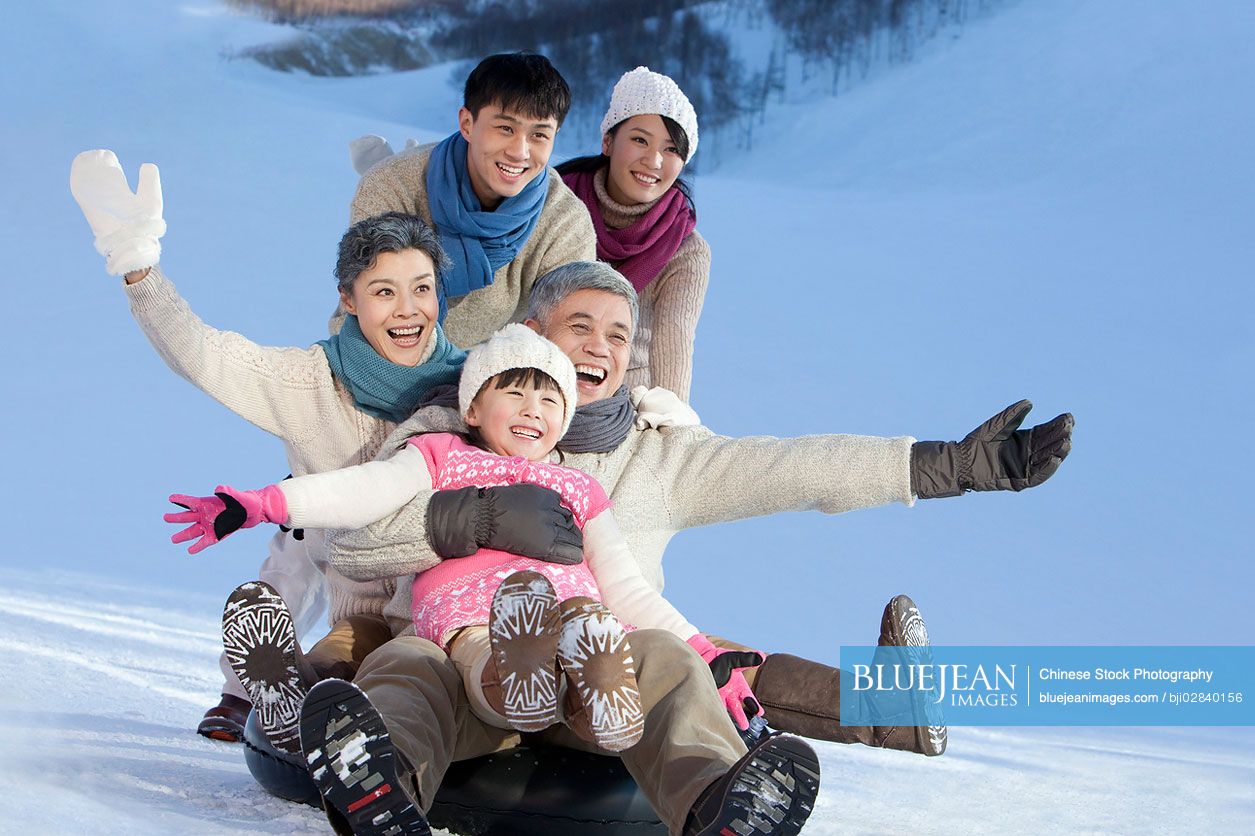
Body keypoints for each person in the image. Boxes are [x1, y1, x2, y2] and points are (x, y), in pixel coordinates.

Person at [327, 260, 1074, 758]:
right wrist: (467, 522)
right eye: (578, 327)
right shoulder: (452, 431)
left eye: (618, 334)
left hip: (605, 671)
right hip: (457, 647)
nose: (599, 347)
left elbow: (794, 468)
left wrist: (958, 466)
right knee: (366, 647)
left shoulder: (660, 455)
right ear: (533, 337)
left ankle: (887, 710)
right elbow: (358, 541)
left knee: (702, 654)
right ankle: (305, 713)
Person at [69, 152, 581, 744]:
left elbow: (546, 412)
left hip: (451, 592)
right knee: (306, 566)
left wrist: (644, 415)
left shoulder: (472, 385)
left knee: (408, 659)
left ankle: (297, 698)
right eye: (383, 292)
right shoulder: (309, 380)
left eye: (422, 289)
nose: (408, 309)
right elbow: (204, 355)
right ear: (348, 298)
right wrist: (137, 266)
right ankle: (267, 693)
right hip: (354, 583)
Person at [165, 325, 765, 754]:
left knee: (592, 618)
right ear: (473, 407)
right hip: (470, 618)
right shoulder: (439, 456)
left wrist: (702, 650)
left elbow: (627, 586)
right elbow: (362, 490)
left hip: (572, 617)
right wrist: (263, 503)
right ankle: (512, 685)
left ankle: (602, 699)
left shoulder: (577, 487)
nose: (534, 408)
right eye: (515, 392)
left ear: (563, 418)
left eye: (551, 397)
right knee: (484, 643)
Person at [348, 51, 597, 348]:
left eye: (539, 135)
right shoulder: (393, 186)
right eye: (505, 128)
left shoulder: (565, 221)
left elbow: (562, 342)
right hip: (381, 360)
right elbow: (370, 312)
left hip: (500, 381)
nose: (519, 152)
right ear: (467, 123)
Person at [557, 66, 709, 401]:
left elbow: (675, 338)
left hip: (626, 397)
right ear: (608, 141)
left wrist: (672, 419)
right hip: (543, 379)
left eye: (671, 149)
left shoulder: (685, 248)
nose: (654, 160)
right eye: (640, 139)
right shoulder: (559, 204)